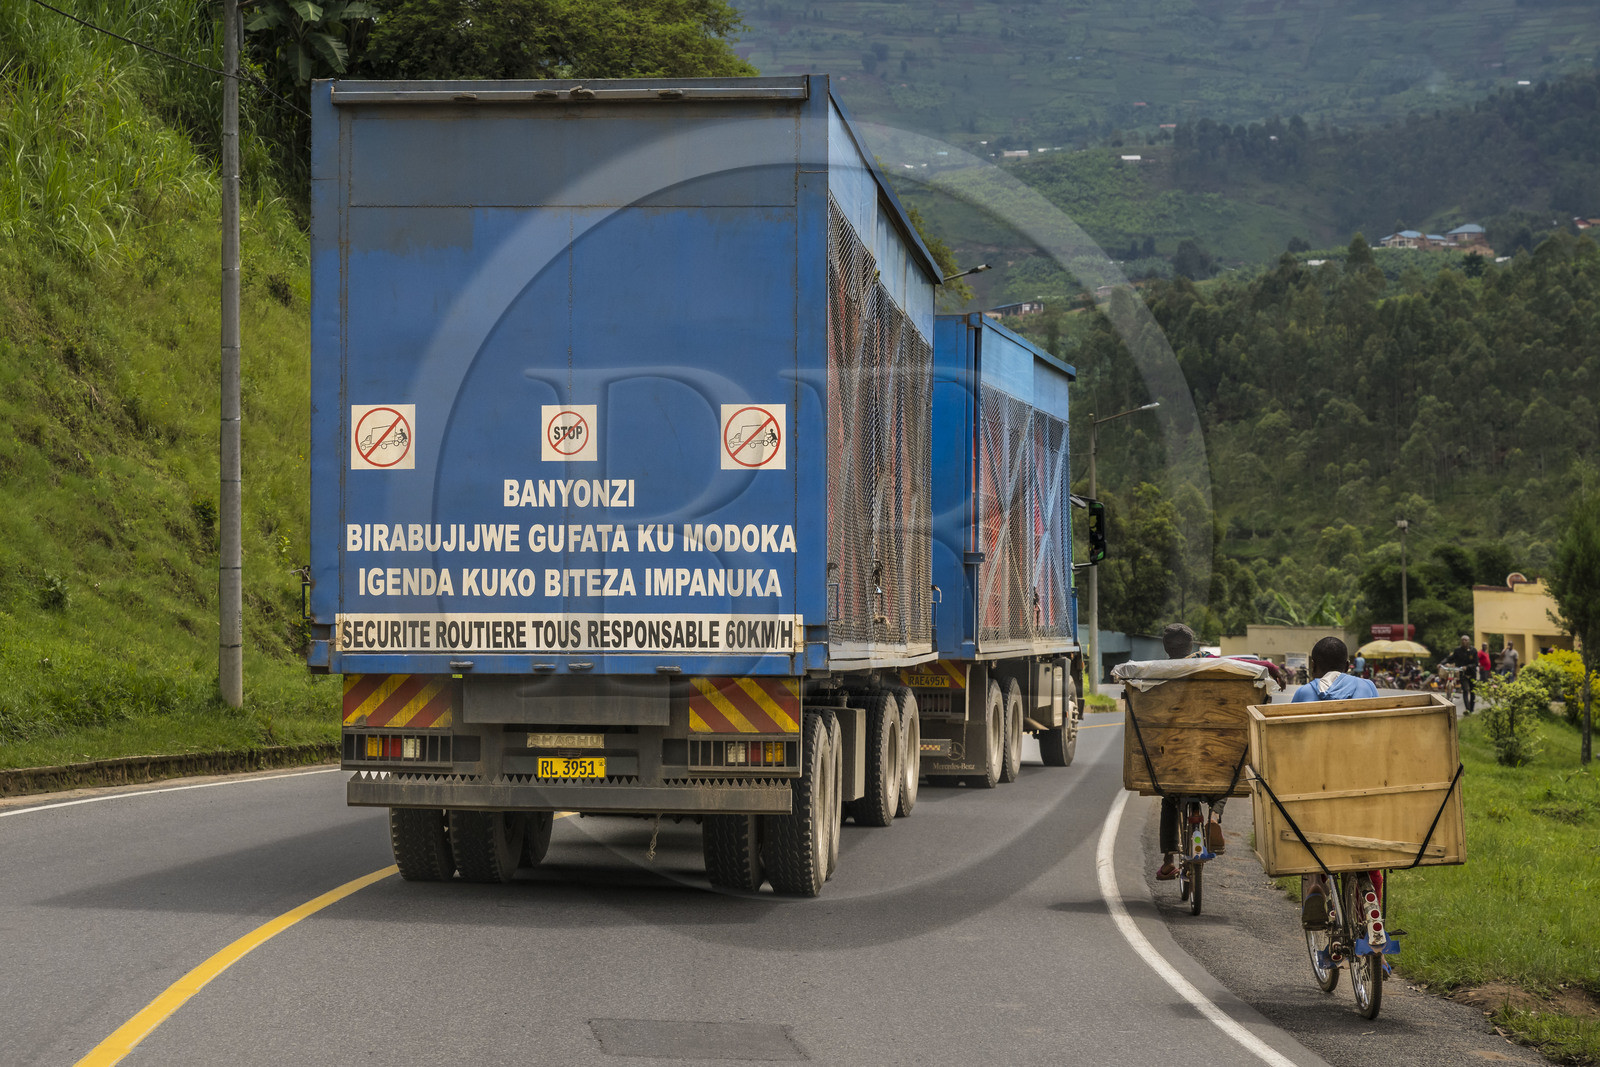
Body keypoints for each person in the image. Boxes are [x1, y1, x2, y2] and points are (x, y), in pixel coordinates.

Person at [1293, 637, 1383, 928]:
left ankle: (1315, 883)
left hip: (1320, 790)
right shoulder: (1367, 687)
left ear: (1313, 666)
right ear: (1348, 665)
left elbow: (1291, 745)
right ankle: (1372, 925)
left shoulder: (1304, 693)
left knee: (1306, 831)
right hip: (1364, 787)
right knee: (1370, 861)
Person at [1154, 623, 1229, 880]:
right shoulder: (1210, 665)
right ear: (1191, 645)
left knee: (1170, 798)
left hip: (1176, 757)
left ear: (1166, 648)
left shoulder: (1157, 672)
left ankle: (1168, 860)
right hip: (1209, 752)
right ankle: (1214, 817)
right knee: (1224, 782)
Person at [1440, 634, 1478, 713]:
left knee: (1472, 691)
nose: (1464, 641)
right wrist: (1441, 663)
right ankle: (1467, 709)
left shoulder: (1473, 651)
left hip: (1472, 673)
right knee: (1465, 690)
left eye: (1466, 640)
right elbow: (1450, 658)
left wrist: (1467, 667)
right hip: (1462, 673)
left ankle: (1472, 709)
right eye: (1462, 640)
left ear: (1469, 641)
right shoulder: (1457, 650)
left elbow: (1475, 663)